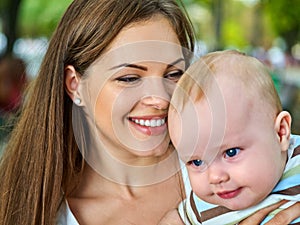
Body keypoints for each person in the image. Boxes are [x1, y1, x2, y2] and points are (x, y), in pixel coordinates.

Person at [0, 0, 298, 224]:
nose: (160, 99)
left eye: (173, 74)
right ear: (75, 85)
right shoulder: (32, 208)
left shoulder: (236, 157)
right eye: (129, 78)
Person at [165, 50, 300, 224]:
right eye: (197, 162)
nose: (214, 177)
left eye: (231, 152)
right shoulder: (202, 207)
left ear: (281, 133)